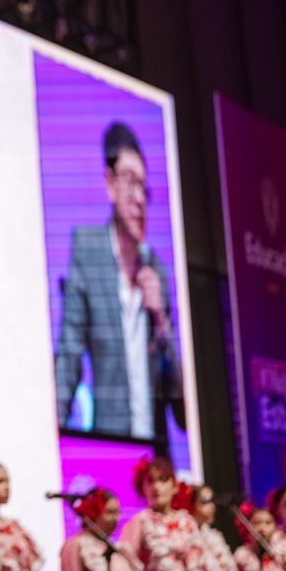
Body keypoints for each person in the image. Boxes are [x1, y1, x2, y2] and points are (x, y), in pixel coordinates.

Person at [54, 122, 183, 440]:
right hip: (112, 444)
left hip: (155, 451)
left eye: (144, 188)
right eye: (129, 182)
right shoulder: (88, 250)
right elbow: (69, 354)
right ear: (110, 185)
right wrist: (53, 433)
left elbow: (182, 411)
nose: (139, 199)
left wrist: (161, 321)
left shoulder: (157, 271)